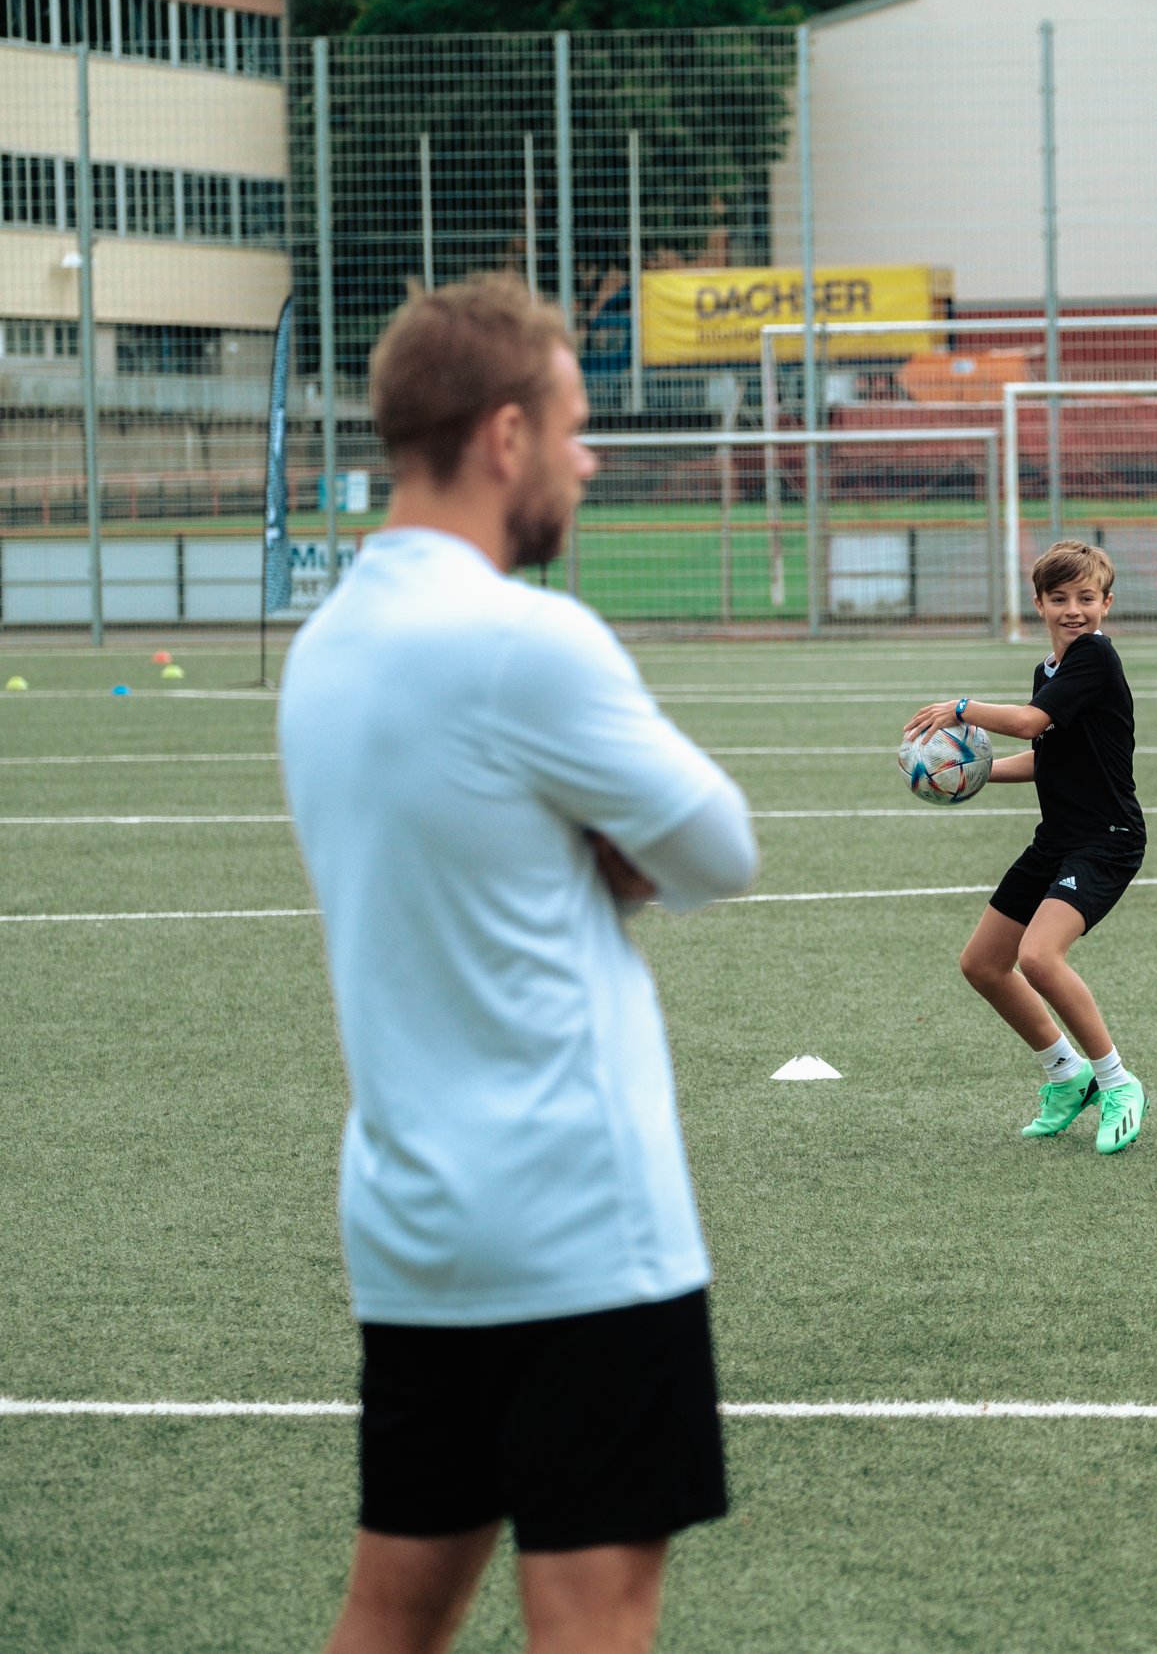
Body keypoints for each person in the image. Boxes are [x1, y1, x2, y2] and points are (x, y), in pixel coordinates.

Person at [279, 273, 758, 1653]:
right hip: (578, 1223)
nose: (588, 457)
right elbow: (718, 849)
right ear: (504, 436)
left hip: (411, 1222)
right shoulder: (525, 638)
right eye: (575, 422)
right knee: (593, 1620)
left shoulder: (324, 647)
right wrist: (613, 845)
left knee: (392, 1612)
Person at [902, 540, 1150, 1155]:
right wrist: (965, 772)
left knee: (1039, 957)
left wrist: (961, 710)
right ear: (1038, 603)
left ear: (1106, 604)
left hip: (1107, 840)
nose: (1074, 610)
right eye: (1059, 598)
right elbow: (1047, 756)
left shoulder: (1095, 656)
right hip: (1058, 840)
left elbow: (1032, 722)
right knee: (983, 965)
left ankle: (1119, 1083)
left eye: (1086, 598)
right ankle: (1068, 1076)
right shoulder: (1050, 671)